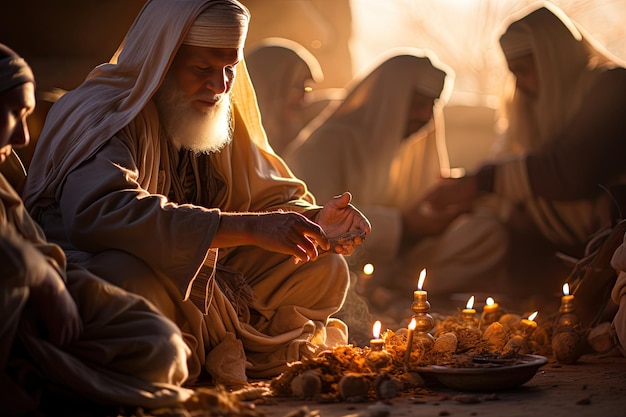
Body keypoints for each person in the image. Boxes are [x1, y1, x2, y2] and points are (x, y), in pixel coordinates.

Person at [22, 0, 370, 387]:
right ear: (163, 60)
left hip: (209, 268)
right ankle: (202, 346)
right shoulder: (106, 111)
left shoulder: (218, 108)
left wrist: (314, 220)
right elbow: (101, 213)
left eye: (229, 69)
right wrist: (249, 229)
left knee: (322, 268)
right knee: (125, 280)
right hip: (105, 259)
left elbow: (263, 200)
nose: (220, 85)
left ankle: (207, 344)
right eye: (202, 69)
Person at [0, 43, 191, 415]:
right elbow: (98, 215)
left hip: (42, 314)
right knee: (125, 273)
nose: (23, 137)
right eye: (12, 113)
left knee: (159, 344)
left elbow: (40, 250)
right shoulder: (105, 119)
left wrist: (59, 286)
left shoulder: (3, 171)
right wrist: (39, 277)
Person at [424, 2, 626, 305]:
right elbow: (511, 165)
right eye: (513, 72)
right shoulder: (531, 107)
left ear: (551, 58)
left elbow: (570, 173)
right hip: (562, 253)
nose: (520, 84)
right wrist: (472, 187)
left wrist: (481, 182)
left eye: (525, 70)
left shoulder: (613, 86)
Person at [283, 49, 509, 315]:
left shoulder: (411, 142)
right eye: (416, 103)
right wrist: (405, 225)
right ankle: (379, 288)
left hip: (396, 259)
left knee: (486, 231)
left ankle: (389, 286)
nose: (426, 115)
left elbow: (422, 204)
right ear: (389, 100)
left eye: (433, 104)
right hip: (337, 261)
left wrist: (444, 206)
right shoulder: (326, 144)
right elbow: (317, 222)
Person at [246, 37, 341, 156]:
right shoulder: (233, 149)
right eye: (296, 86)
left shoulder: (302, 135)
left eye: (307, 88)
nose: (305, 97)